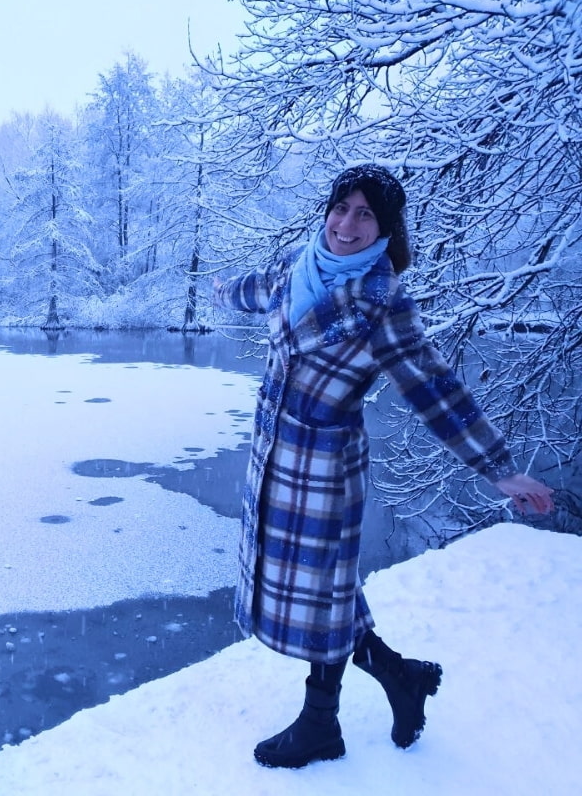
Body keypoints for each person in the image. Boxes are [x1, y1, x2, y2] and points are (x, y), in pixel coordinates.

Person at [212, 164, 554, 769]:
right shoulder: (297, 267)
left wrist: (500, 469)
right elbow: (257, 289)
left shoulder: (382, 305)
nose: (347, 224)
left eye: (365, 214)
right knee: (328, 591)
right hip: (271, 459)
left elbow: (434, 388)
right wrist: (219, 289)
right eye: (341, 208)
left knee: (322, 595)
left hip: (325, 469)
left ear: (386, 229)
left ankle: (320, 724)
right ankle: (402, 676)